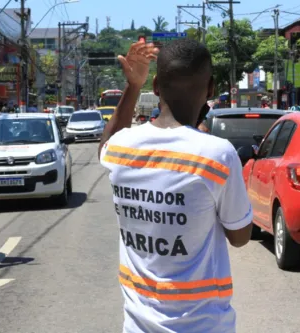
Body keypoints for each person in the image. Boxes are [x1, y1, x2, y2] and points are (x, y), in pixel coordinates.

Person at [98, 39, 253, 332]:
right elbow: (240, 236)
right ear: (210, 89)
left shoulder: (120, 148)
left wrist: (133, 85)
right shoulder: (217, 155)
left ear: (155, 86)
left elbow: (105, 145)